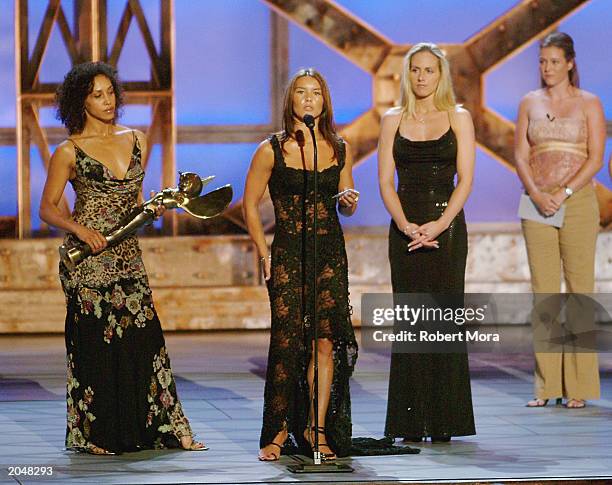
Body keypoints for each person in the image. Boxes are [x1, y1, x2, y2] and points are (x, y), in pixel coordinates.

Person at [39, 62, 206, 454]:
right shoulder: (68, 151)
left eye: (110, 92)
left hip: (128, 255)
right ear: (81, 101)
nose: (107, 100)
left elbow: (133, 201)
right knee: (95, 347)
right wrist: (81, 231)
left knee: (144, 343)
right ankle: (97, 435)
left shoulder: (138, 140)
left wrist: (151, 210)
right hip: (88, 257)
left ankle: (167, 427)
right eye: (97, 95)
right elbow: (46, 209)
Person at [243, 68, 358, 461]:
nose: (309, 99)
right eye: (302, 93)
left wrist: (348, 201)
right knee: (289, 342)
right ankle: (276, 430)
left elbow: (346, 194)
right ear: (290, 99)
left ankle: (318, 427)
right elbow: (250, 204)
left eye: (317, 94)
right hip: (289, 254)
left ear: (325, 102)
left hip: (329, 255)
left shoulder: (339, 147)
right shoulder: (271, 149)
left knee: (324, 343)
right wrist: (263, 253)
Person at [378, 43, 476, 442]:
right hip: (405, 228)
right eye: (415, 70)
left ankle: (443, 423)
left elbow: (465, 180)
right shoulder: (391, 119)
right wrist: (405, 224)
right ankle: (409, 422)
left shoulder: (459, 117)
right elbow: (385, 182)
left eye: (429, 70)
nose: (421, 77)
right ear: (407, 74)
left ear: (441, 75)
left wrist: (437, 226)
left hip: (446, 229)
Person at [514, 32, 604, 408]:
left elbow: (595, 157)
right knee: (545, 294)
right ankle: (547, 386)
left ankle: (579, 387)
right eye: (542, 61)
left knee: (579, 291)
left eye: (554, 61)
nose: (547, 68)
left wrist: (563, 193)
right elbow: (520, 154)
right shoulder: (529, 102)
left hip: (579, 201)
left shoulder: (590, 103)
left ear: (570, 62)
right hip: (536, 204)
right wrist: (537, 193)